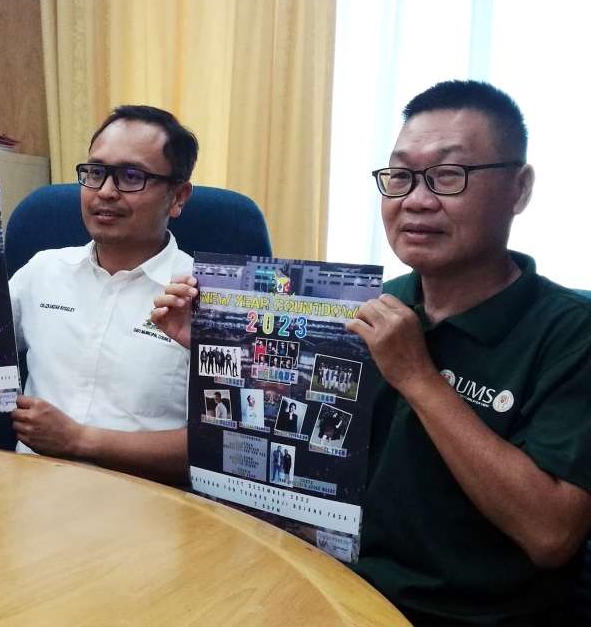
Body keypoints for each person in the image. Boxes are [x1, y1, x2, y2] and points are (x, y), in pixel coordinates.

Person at [154, 81, 591, 625]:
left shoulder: (570, 333)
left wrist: (419, 377)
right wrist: (218, 349)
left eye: (449, 176)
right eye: (400, 176)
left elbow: (551, 535)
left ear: (519, 189)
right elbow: (299, 444)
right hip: (332, 584)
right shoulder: (372, 306)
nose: (416, 200)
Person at [0, 105, 196, 484]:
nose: (105, 192)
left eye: (131, 176)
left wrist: (80, 440)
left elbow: (224, 450)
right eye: (95, 173)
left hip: (148, 510)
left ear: (178, 196)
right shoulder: (44, 271)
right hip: (30, 501)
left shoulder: (200, 297)